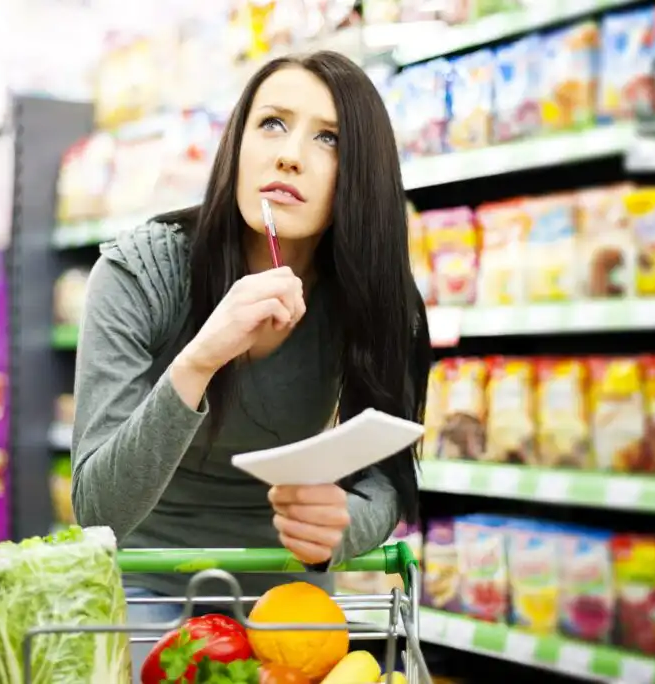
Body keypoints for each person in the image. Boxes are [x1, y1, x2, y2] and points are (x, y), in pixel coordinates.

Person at [70, 50, 431, 669]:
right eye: (272, 123)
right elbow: (96, 510)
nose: (289, 152)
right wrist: (201, 357)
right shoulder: (138, 274)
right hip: (140, 583)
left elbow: (388, 478)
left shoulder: (375, 300)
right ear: (236, 146)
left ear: (362, 174)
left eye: (328, 138)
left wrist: (344, 527)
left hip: (287, 597)